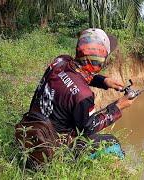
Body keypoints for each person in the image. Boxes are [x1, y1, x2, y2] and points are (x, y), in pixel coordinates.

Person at [16, 28, 134, 165]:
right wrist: (118, 107)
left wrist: (104, 81)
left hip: (31, 128)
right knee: (112, 143)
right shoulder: (83, 96)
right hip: (51, 147)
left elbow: (78, 73)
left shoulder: (60, 61)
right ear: (99, 61)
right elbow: (88, 128)